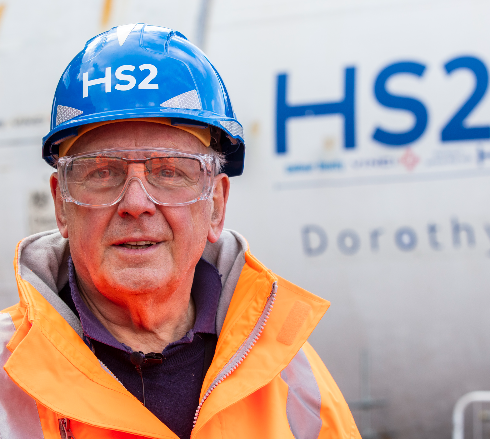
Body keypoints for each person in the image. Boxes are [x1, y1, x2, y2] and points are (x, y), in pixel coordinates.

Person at [0, 24, 360, 439]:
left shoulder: (291, 377)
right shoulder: (9, 376)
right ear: (62, 204)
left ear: (216, 205)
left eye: (170, 171)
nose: (136, 203)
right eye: (102, 172)